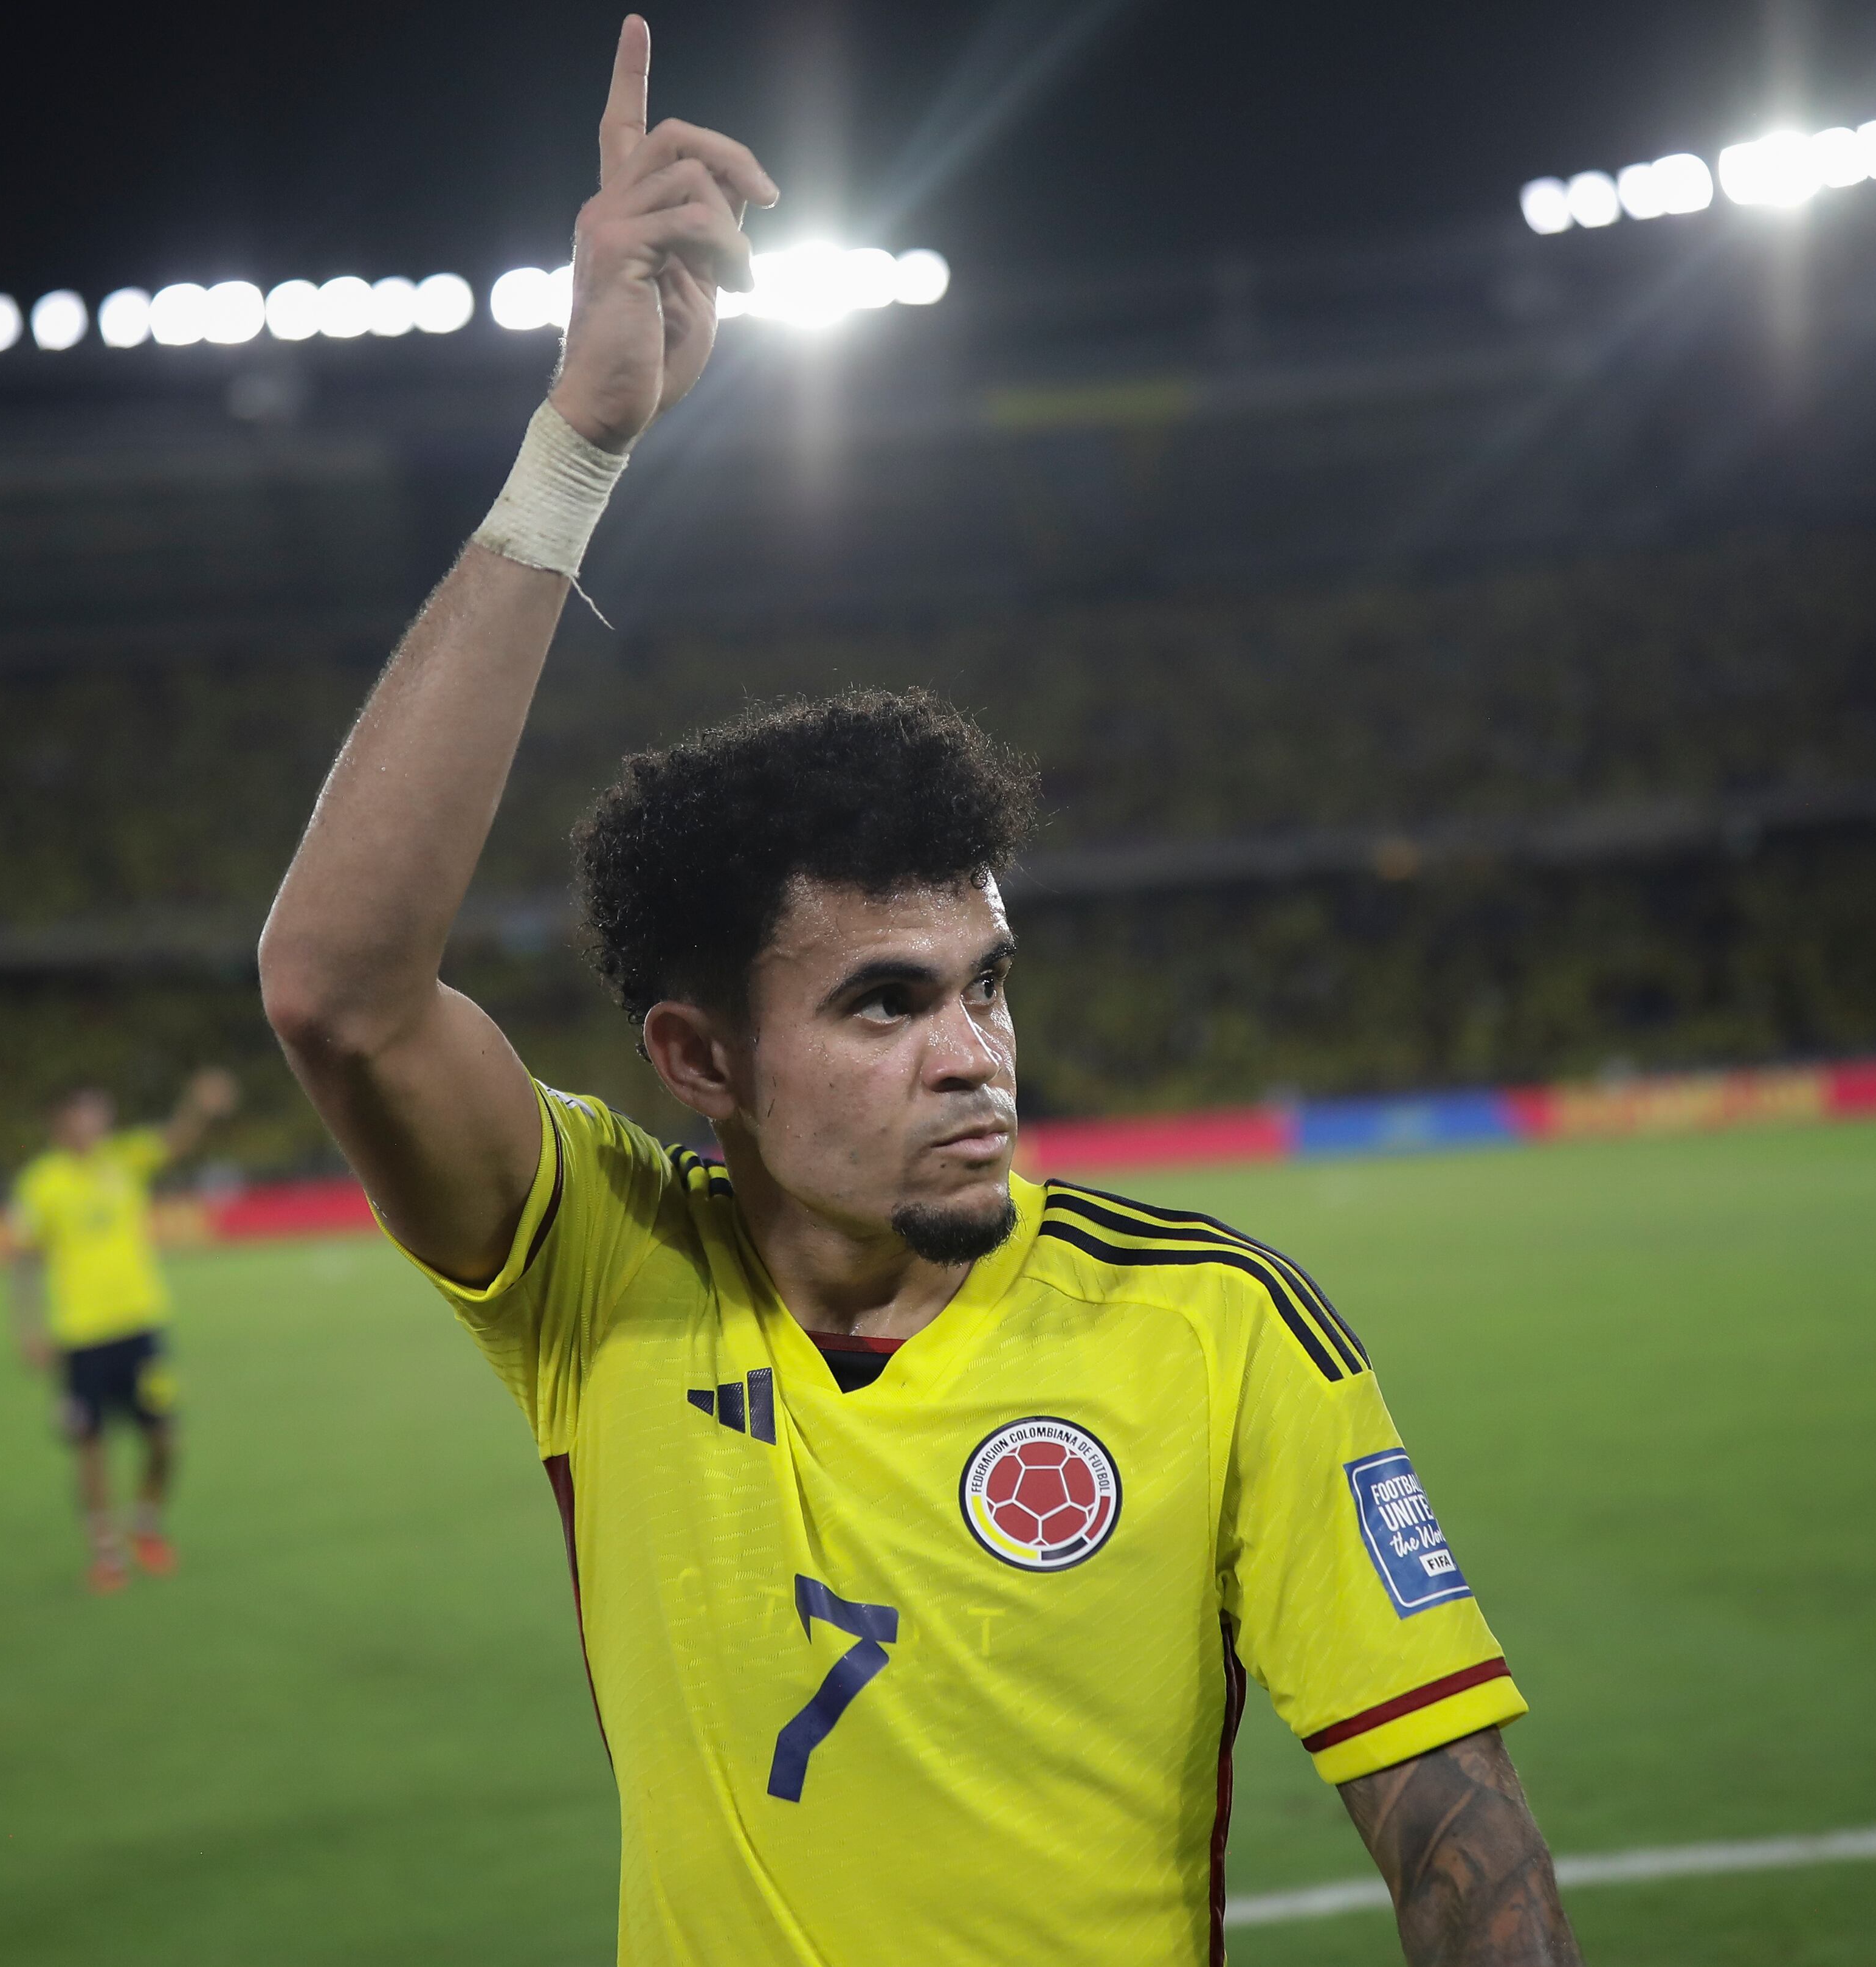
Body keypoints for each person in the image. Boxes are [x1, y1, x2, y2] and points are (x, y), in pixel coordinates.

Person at [257, 18, 1581, 1964]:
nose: (973, 1052)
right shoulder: (604, 1280)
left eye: (983, 984)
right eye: (881, 1004)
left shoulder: (1211, 1329)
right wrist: (577, 450)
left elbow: (1462, 1845)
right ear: (698, 1059)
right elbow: (338, 993)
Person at [9, 1067, 238, 1592]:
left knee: (164, 1438)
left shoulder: (124, 1160)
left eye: (101, 1111)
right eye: (87, 1112)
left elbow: (176, 1140)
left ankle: (147, 1523)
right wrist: (29, 1330)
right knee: (90, 1445)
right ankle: (106, 1551)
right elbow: (23, 1263)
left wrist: (198, 1105)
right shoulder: (41, 1183)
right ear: (62, 1121)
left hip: (141, 1326)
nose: (98, 1121)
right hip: (82, 1336)